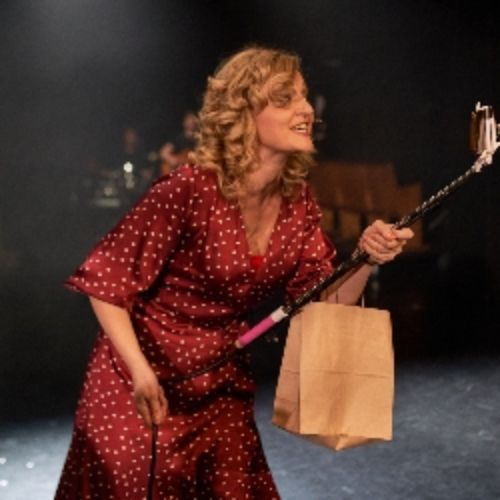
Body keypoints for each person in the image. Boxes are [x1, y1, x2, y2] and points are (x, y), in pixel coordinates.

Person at [55, 46, 413, 499]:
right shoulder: (188, 189)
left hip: (221, 387)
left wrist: (365, 257)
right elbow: (107, 284)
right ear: (243, 114)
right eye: (284, 98)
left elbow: (322, 303)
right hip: (141, 385)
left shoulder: (297, 201)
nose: (305, 109)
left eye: (304, 96)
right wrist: (140, 372)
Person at [158, 111, 199, 176]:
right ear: (184, 122)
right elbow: (163, 153)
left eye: (193, 119)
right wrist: (173, 160)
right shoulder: (178, 138)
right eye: (188, 119)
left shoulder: (199, 139)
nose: (191, 121)